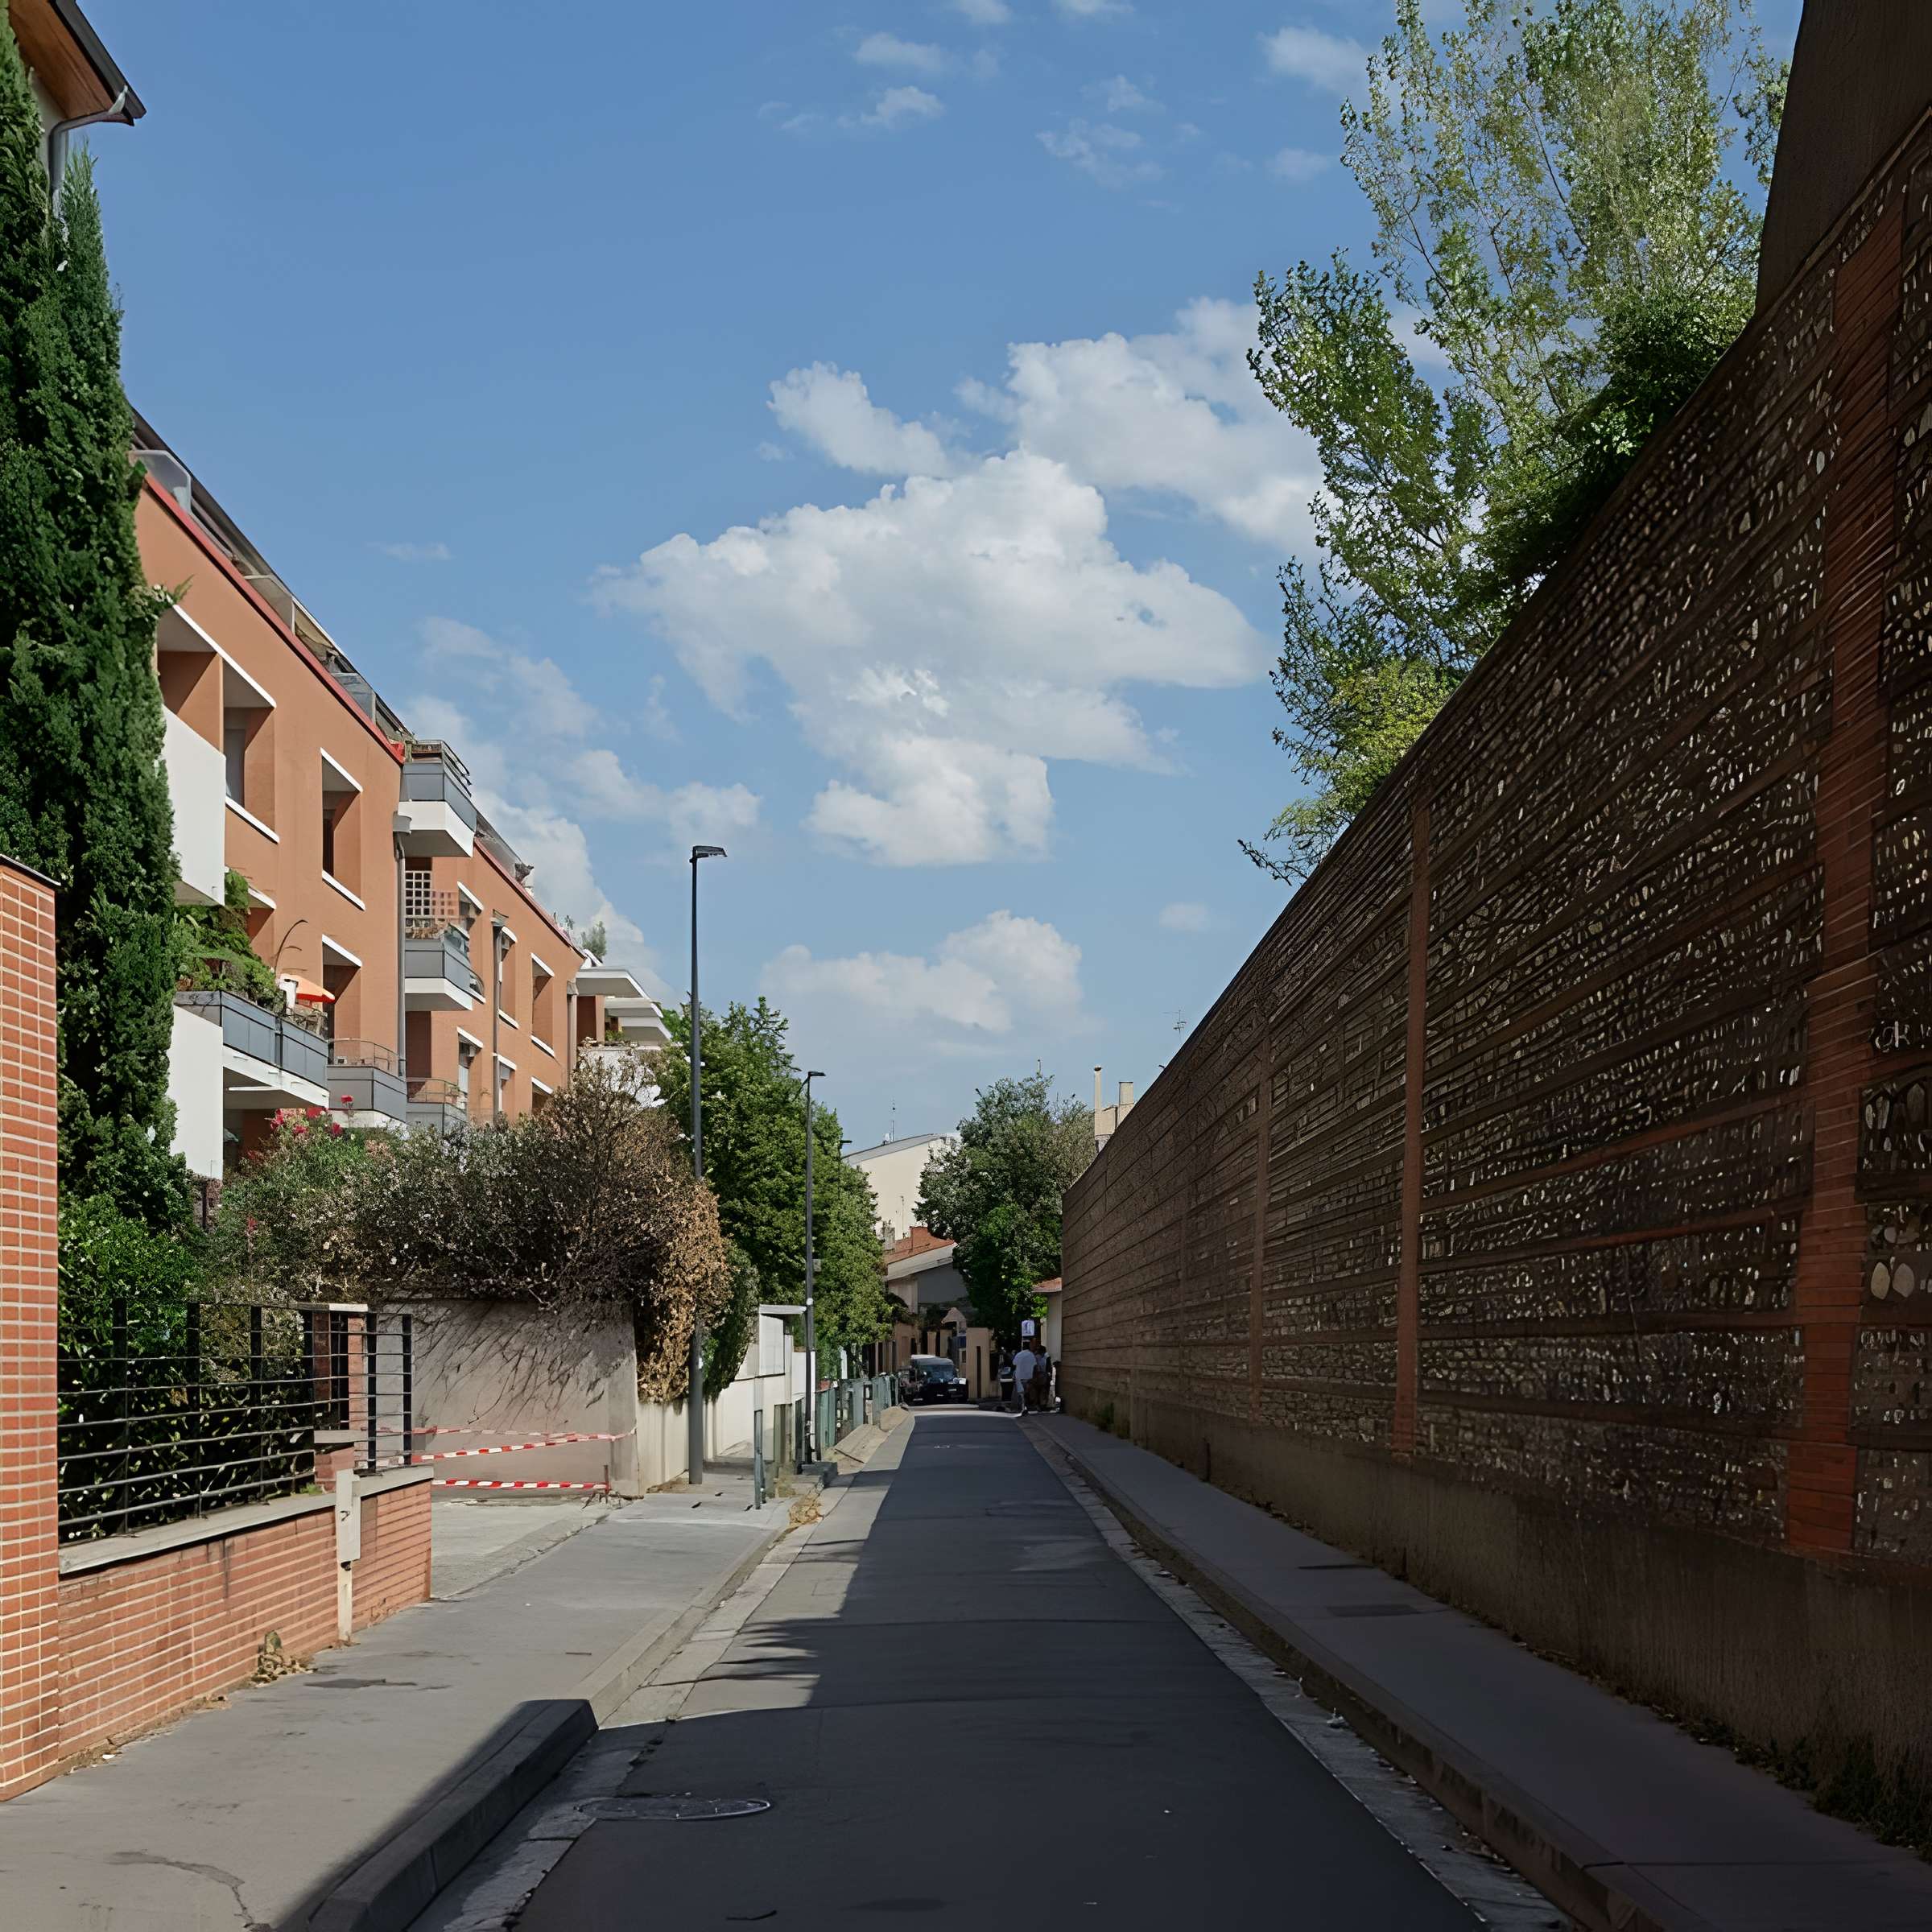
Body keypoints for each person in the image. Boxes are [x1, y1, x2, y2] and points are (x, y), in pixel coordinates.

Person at [1012, 1341, 1038, 1415]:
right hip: (1029, 1377)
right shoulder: (1031, 1355)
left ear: (1022, 1347)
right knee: (1028, 1393)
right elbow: (1035, 1366)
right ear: (1029, 1347)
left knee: (1021, 1394)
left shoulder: (1018, 1355)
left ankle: (1022, 1408)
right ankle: (1027, 1408)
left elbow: (1014, 1363)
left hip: (1019, 1376)